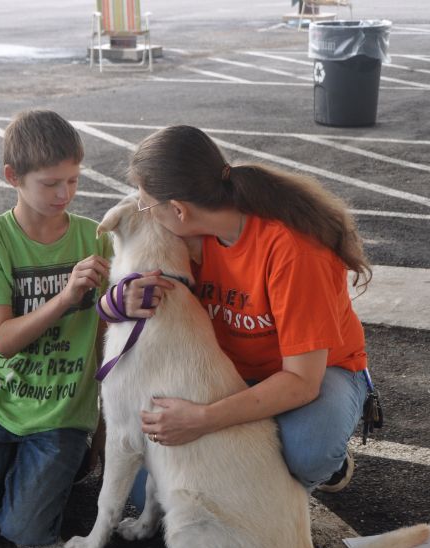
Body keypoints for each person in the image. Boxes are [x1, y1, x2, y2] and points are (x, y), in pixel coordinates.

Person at [119, 124, 371, 497]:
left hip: (315, 371)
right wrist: (121, 299)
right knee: (147, 492)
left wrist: (203, 419)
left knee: (307, 452)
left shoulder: (294, 251)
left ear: (179, 209)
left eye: (147, 204)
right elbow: (129, 286)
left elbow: (301, 381)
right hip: (232, 368)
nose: (146, 214)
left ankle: (329, 464)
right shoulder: (184, 232)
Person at [0, 110, 112, 547]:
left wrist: (104, 422)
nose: (64, 194)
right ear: (13, 176)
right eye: (50, 184)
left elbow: (108, 337)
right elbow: (4, 341)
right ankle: (28, 473)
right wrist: (66, 298)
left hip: (62, 409)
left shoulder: (97, 238)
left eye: (73, 180)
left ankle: (40, 473)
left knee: (25, 531)